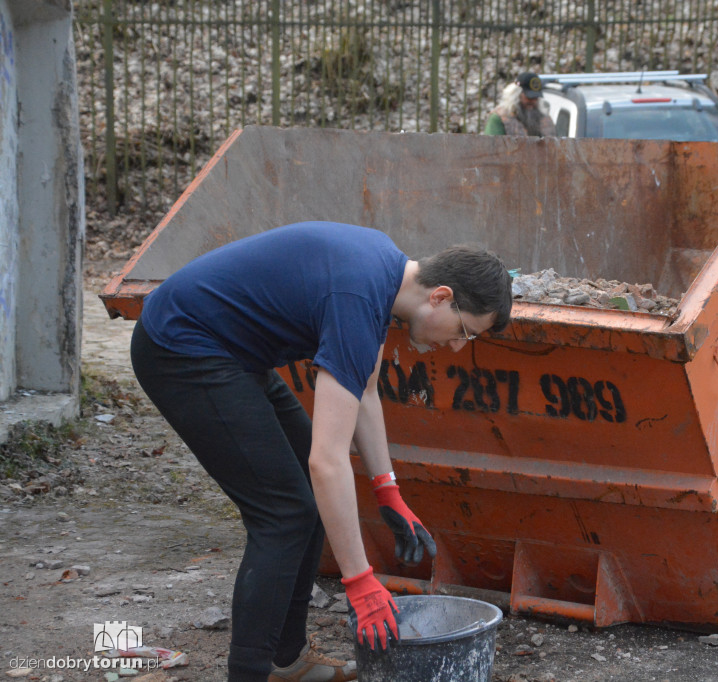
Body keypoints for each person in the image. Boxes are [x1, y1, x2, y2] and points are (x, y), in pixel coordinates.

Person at [130, 221, 513, 682]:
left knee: (304, 510)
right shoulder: (358, 299)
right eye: (463, 332)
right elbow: (325, 460)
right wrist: (359, 582)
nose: (454, 347)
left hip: (231, 351)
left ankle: (285, 662)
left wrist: (387, 489)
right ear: (441, 296)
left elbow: (366, 393)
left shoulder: (384, 274)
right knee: (283, 512)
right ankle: (248, 673)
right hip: (181, 348)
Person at [483, 71, 556, 137]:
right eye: (529, 97)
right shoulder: (499, 119)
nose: (533, 101)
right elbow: (493, 148)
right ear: (516, 95)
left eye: (536, 98)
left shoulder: (545, 119)